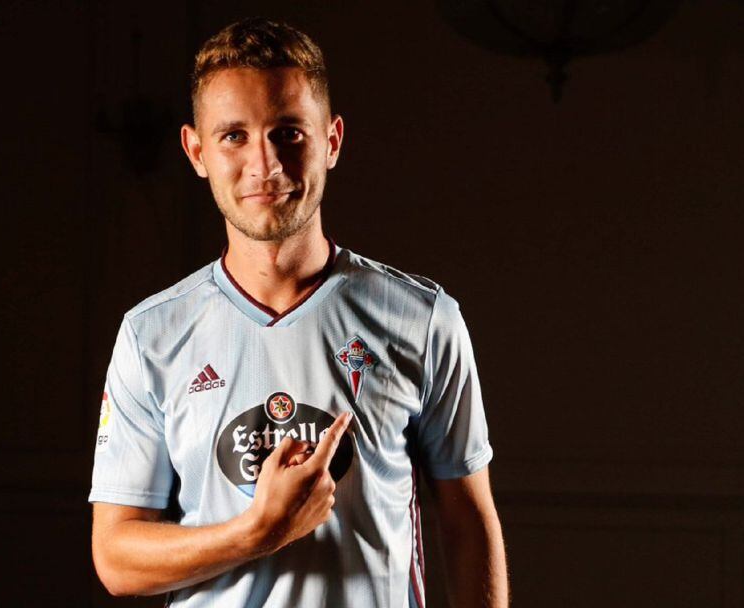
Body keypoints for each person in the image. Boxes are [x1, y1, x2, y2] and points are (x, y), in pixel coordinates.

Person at [89, 17, 509, 608]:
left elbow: (469, 524)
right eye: (234, 135)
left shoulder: (423, 318)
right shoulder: (150, 334)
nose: (265, 164)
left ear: (331, 141)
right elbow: (116, 558)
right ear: (196, 150)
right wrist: (256, 532)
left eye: (288, 132)